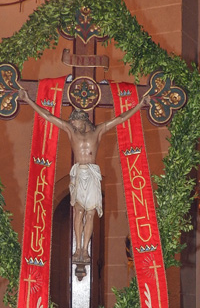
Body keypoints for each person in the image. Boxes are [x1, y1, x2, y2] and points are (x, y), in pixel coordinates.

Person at [18, 88, 150, 266]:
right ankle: (78, 248)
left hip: (92, 173)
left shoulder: (98, 131)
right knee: (79, 211)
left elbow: (120, 118)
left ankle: (85, 249)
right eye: (72, 122)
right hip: (79, 173)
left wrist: (140, 105)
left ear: (83, 120)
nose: (72, 124)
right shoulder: (71, 132)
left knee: (91, 213)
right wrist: (28, 100)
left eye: (75, 122)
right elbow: (48, 116)